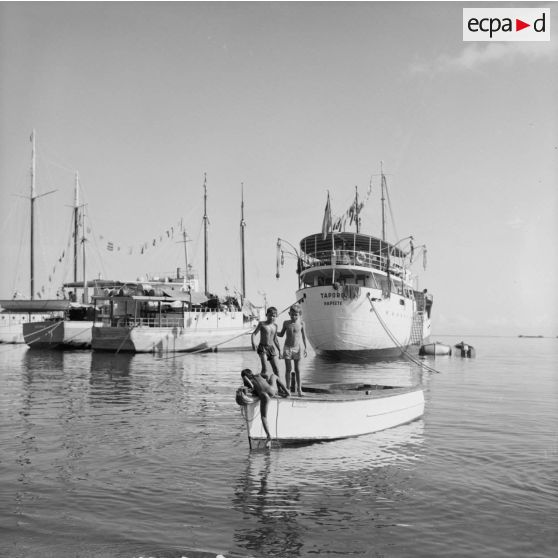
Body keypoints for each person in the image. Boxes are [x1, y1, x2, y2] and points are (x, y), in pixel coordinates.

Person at [241, 368, 289, 447]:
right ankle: (287, 392)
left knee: (263, 417)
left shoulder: (249, 381)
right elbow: (266, 376)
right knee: (274, 376)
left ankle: (269, 435)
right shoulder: (258, 375)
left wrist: (245, 380)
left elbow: (251, 388)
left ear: (244, 377)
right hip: (272, 390)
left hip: (264, 395)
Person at [278, 303, 308, 396]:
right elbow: (281, 334)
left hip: (297, 348)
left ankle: (299, 390)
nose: (294, 316)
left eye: (296, 314)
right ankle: (287, 389)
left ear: (300, 314)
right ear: (289, 313)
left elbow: (304, 336)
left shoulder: (302, 323)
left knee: (297, 369)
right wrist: (274, 331)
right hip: (287, 348)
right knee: (288, 369)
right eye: (292, 314)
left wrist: (306, 348)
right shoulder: (286, 323)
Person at [251, 306, 282, 380]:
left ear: (276, 316)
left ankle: (279, 387)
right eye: (270, 315)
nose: (272, 317)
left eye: (274, 316)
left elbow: (275, 339)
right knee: (265, 369)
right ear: (266, 315)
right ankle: (260, 383)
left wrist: (280, 350)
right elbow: (254, 334)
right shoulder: (262, 324)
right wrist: (253, 342)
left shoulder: (275, 326)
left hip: (271, 348)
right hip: (262, 348)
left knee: (277, 370)